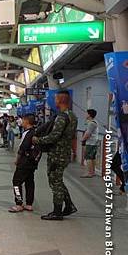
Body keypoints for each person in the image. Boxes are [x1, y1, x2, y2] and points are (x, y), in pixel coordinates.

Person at [32, 90, 78, 220]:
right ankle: (69, 206)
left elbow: (54, 136)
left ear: (60, 100)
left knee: (55, 183)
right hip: (64, 153)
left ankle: (57, 212)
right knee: (59, 181)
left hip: (57, 155)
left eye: (56, 99)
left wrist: (38, 140)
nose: (55, 101)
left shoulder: (62, 117)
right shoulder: (73, 116)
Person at [9, 114, 40, 213]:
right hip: (32, 162)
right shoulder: (35, 132)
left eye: (22, 120)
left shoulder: (28, 133)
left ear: (26, 121)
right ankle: (29, 204)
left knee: (16, 182)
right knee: (29, 182)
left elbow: (22, 148)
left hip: (25, 162)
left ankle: (19, 204)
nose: (21, 122)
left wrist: (17, 160)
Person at [81, 109, 99, 178]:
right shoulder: (94, 122)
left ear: (89, 115)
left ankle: (89, 173)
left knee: (88, 157)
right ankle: (93, 172)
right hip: (94, 142)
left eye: (86, 113)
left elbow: (87, 133)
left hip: (90, 143)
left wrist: (82, 139)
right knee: (92, 157)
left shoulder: (91, 123)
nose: (85, 114)